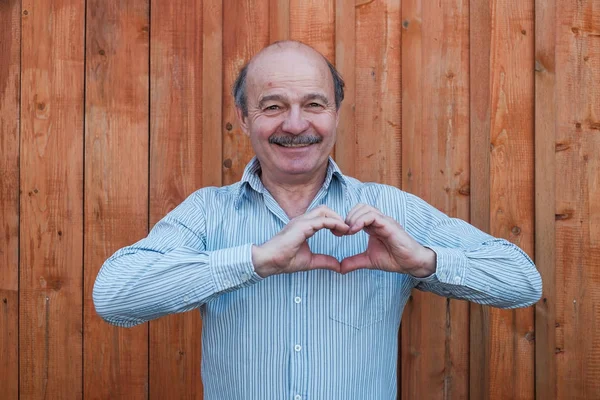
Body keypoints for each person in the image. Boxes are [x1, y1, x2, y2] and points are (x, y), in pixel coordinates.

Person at [93, 40, 542, 400]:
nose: (294, 123)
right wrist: (254, 261)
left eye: (313, 104)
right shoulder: (207, 213)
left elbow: (522, 280)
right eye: (272, 106)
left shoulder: (392, 211)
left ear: (336, 114)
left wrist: (424, 262)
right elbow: (114, 296)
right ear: (243, 119)